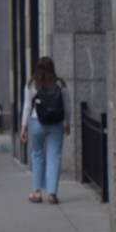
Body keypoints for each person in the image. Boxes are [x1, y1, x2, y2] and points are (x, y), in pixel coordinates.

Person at [19, 56, 71, 204]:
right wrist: (68, 123)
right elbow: (67, 107)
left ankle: (37, 193)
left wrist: (24, 127)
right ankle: (52, 193)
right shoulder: (60, 84)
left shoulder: (32, 85)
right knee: (54, 156)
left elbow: (27, 107)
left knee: (37, 155)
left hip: (37, 123)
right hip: (56, 124)